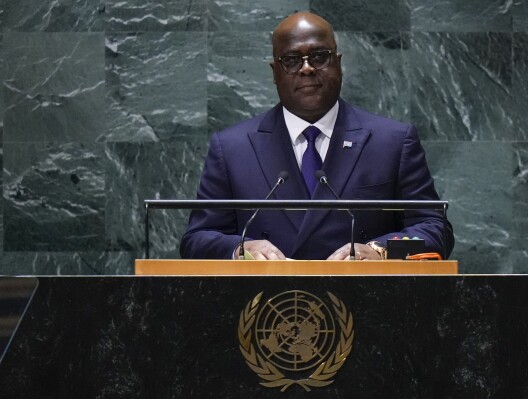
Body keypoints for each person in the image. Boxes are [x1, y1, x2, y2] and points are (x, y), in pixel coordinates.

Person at [180, 11, 454, 260]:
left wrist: (378, 250)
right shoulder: (232, 148)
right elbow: (197, 239)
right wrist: (241, 248)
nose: (307, 68)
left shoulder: (392, 141)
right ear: (275, 73)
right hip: (266, 306)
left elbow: (434, 229)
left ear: (338, 63)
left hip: (367, 302)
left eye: (320, 56)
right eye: (291, 60)